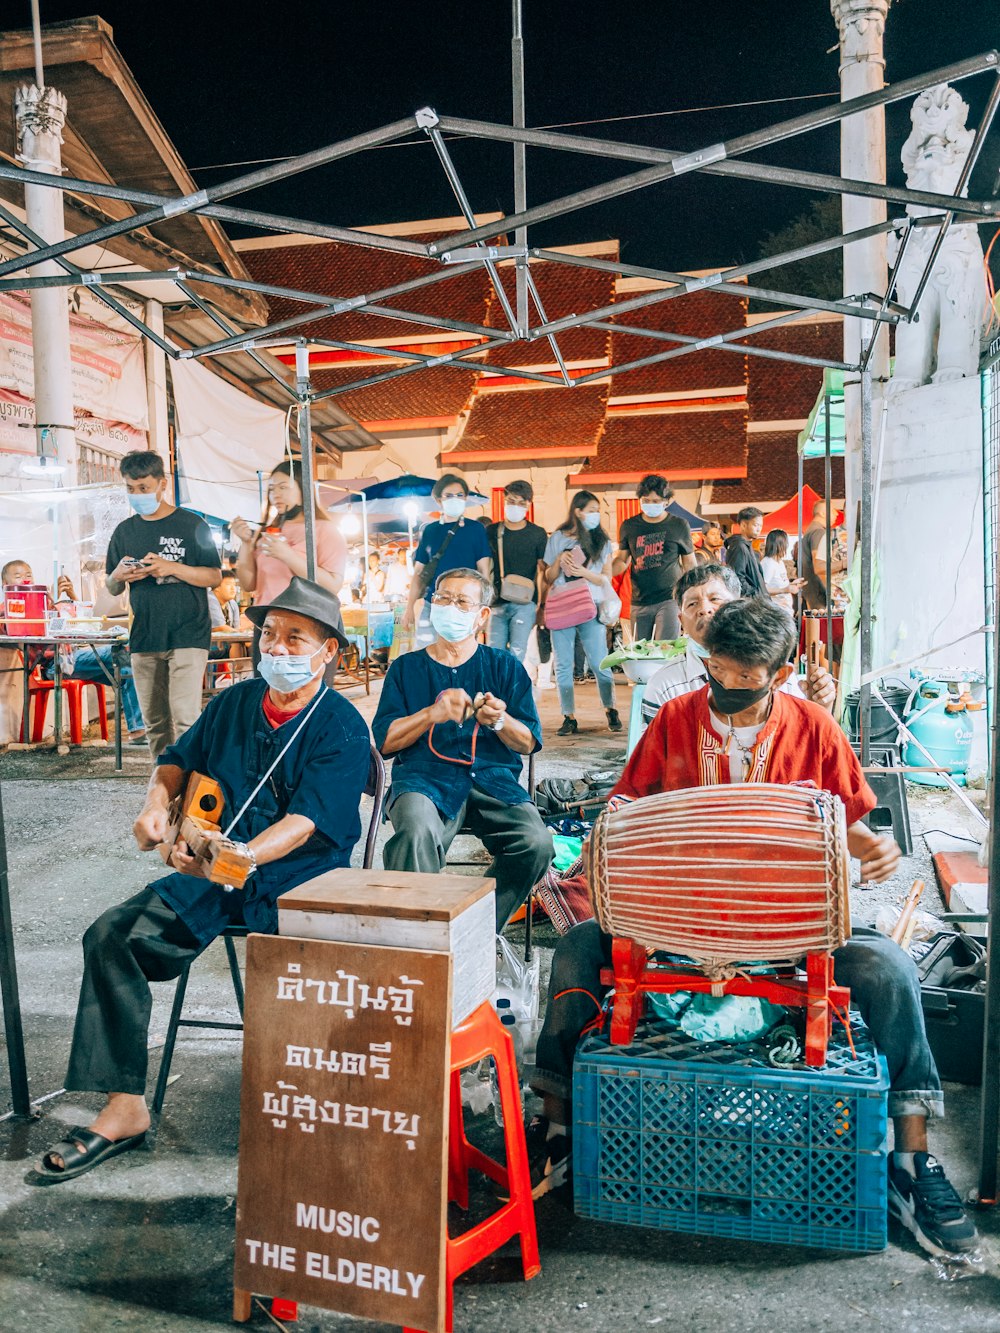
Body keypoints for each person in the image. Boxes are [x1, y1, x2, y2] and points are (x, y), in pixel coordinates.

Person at [528, 597, 979, 1260]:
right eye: (715, 669)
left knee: (889, 970)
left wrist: (868, 847)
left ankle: (913, 1162)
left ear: (782, 669)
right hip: (679, 922)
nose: (725, 688)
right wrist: (617, 850)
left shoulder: (815, 727)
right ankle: (559, 1129)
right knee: (574, 950)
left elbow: (853, 827)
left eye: (744, 676)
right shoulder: (677, 720)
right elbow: (625, 811)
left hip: (789, 933)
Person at [38, 578, 371, 1182]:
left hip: (298, 878)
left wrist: (242, 855)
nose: (278, 647)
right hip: (209, 872)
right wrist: (154, 806)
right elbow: (176, 759)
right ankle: (124, 1107)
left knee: (311, 984)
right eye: (269, 634)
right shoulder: (235, 703)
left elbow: (304, 822)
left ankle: (312, 1107)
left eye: (296, 637)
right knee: (113, 935)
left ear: (330, 652)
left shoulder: (343, 727)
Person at [373, 567, 553, 930]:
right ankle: (426, 936)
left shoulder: (504, 667)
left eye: (461, 602)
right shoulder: (406, 668)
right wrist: (430, 714)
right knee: (415, 834)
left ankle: (477, 927)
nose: (449, 607)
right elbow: (386, 742)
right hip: (424, 779)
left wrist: (500, 721)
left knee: (536, 843)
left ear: (482, 614)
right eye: (442, 598)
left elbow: (529, 741)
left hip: (492, 781)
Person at [105, 451, 222, 759]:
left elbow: (214, 576)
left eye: (143, 487)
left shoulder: (193, 525)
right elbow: (112, 585)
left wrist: (171, 567)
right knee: (155, 724)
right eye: (130, 488)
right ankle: (161, 787)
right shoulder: (124, 531)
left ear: (162, 483)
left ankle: (192, 785)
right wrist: (118, 575)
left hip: (188, 633)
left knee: (185, 718)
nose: (137, 495)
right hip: (144, 635)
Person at [642, 564, 836, 725]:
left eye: (715, 599)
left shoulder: (772, 672)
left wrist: (818, 709)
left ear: (739, 605)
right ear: (681, 621)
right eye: (692, 604)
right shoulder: (664, 685)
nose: (704, 609)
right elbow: (654, 761)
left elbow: (801, 737)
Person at [0, 558, 145, 741]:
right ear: (5, 584)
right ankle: (139, 728)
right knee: (121, 652)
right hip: (55, 665)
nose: (25, 580)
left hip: (71, 656)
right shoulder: (10, 609)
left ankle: (138, 730)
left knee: (126, 667)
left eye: (28, 575)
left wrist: (69, 594)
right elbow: (19, 625)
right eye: (18, 576)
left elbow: (77, 620)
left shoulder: (44, 603)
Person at [232, 459, 347, 665]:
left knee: (307, 692)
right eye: (272, 489)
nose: (276, 494)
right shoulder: (267, 532)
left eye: (284, 487)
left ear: (303, 489)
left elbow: (332, 584)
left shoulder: (324, 530)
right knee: (268, 691)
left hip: (308, 626)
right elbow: (249, 584)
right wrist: (247, 545)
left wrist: (288, 556)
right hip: (268, 625)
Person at [543, 491, 620, 736]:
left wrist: (583, 572)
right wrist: (558, 561)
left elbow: (606, 577)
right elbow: (548, 577)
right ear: (578, 511)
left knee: (600, 662)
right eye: (592, 509)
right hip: (561, 605)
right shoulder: (557, 538)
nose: (596, 515)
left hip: (591, 607)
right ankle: (569, 716)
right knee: (564, 664)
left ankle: (611, 709)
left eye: (597, 510)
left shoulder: (602, 540)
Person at [402, 474, 491, 647]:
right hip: (433, 603)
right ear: (438, 500)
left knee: (460, 656)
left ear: (466, 498)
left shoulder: (476, 529)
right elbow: (419, 573)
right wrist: (409, 608)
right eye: (449, 495)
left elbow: (484, 572)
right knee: (426, 654)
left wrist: (483, 608)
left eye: (459, 495)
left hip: (465, 606)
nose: (455, 499)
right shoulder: (430, 531)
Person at [613, 474, 695, 641]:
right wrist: (603, 572)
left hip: (669, 598)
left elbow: (689, 563)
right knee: (642, 651)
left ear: (666, 501)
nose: (650, 504)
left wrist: (694, 593)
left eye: (656, 501)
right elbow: (622, 560)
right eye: (646, 500)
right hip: (639, 600)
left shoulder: (679, 525)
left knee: (664, 649)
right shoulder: (629, 526)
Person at [485, 480, 548, 662]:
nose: (516, 507)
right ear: (504, 501)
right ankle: (494, 689)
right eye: (511, 501)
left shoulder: (537, 534)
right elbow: (483, 566)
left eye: (522, 503)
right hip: (497, 602)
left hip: (526, 603)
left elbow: (543, 571)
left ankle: (511, 689)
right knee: (493, 651)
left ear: (529, 505)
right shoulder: (492, 531)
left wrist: (542, 606)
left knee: (517, 652)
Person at [802, 501, 847, 612]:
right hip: (820, 593)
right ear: (823, 513)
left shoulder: (810, 530)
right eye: (832, 511)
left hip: (811, 591)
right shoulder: (819, 532)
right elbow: (820, 567)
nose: (836, 514)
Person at [724, 506, 767, 598]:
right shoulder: (738, 546)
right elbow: (736, 578)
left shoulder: (747, 546)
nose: (759, 529)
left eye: (760, 526)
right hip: (750, 604)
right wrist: (754, 594)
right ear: (743, 525)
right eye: (756, 525)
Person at [760, 529, 805, 614]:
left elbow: (779, 584)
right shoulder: (768, 563)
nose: (787, 546)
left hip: (785, 611)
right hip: (775, 614)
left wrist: (793, 584)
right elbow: (763, 589)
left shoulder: (780, 562)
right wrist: (785, 589)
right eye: (786, 543)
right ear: (779, 545)